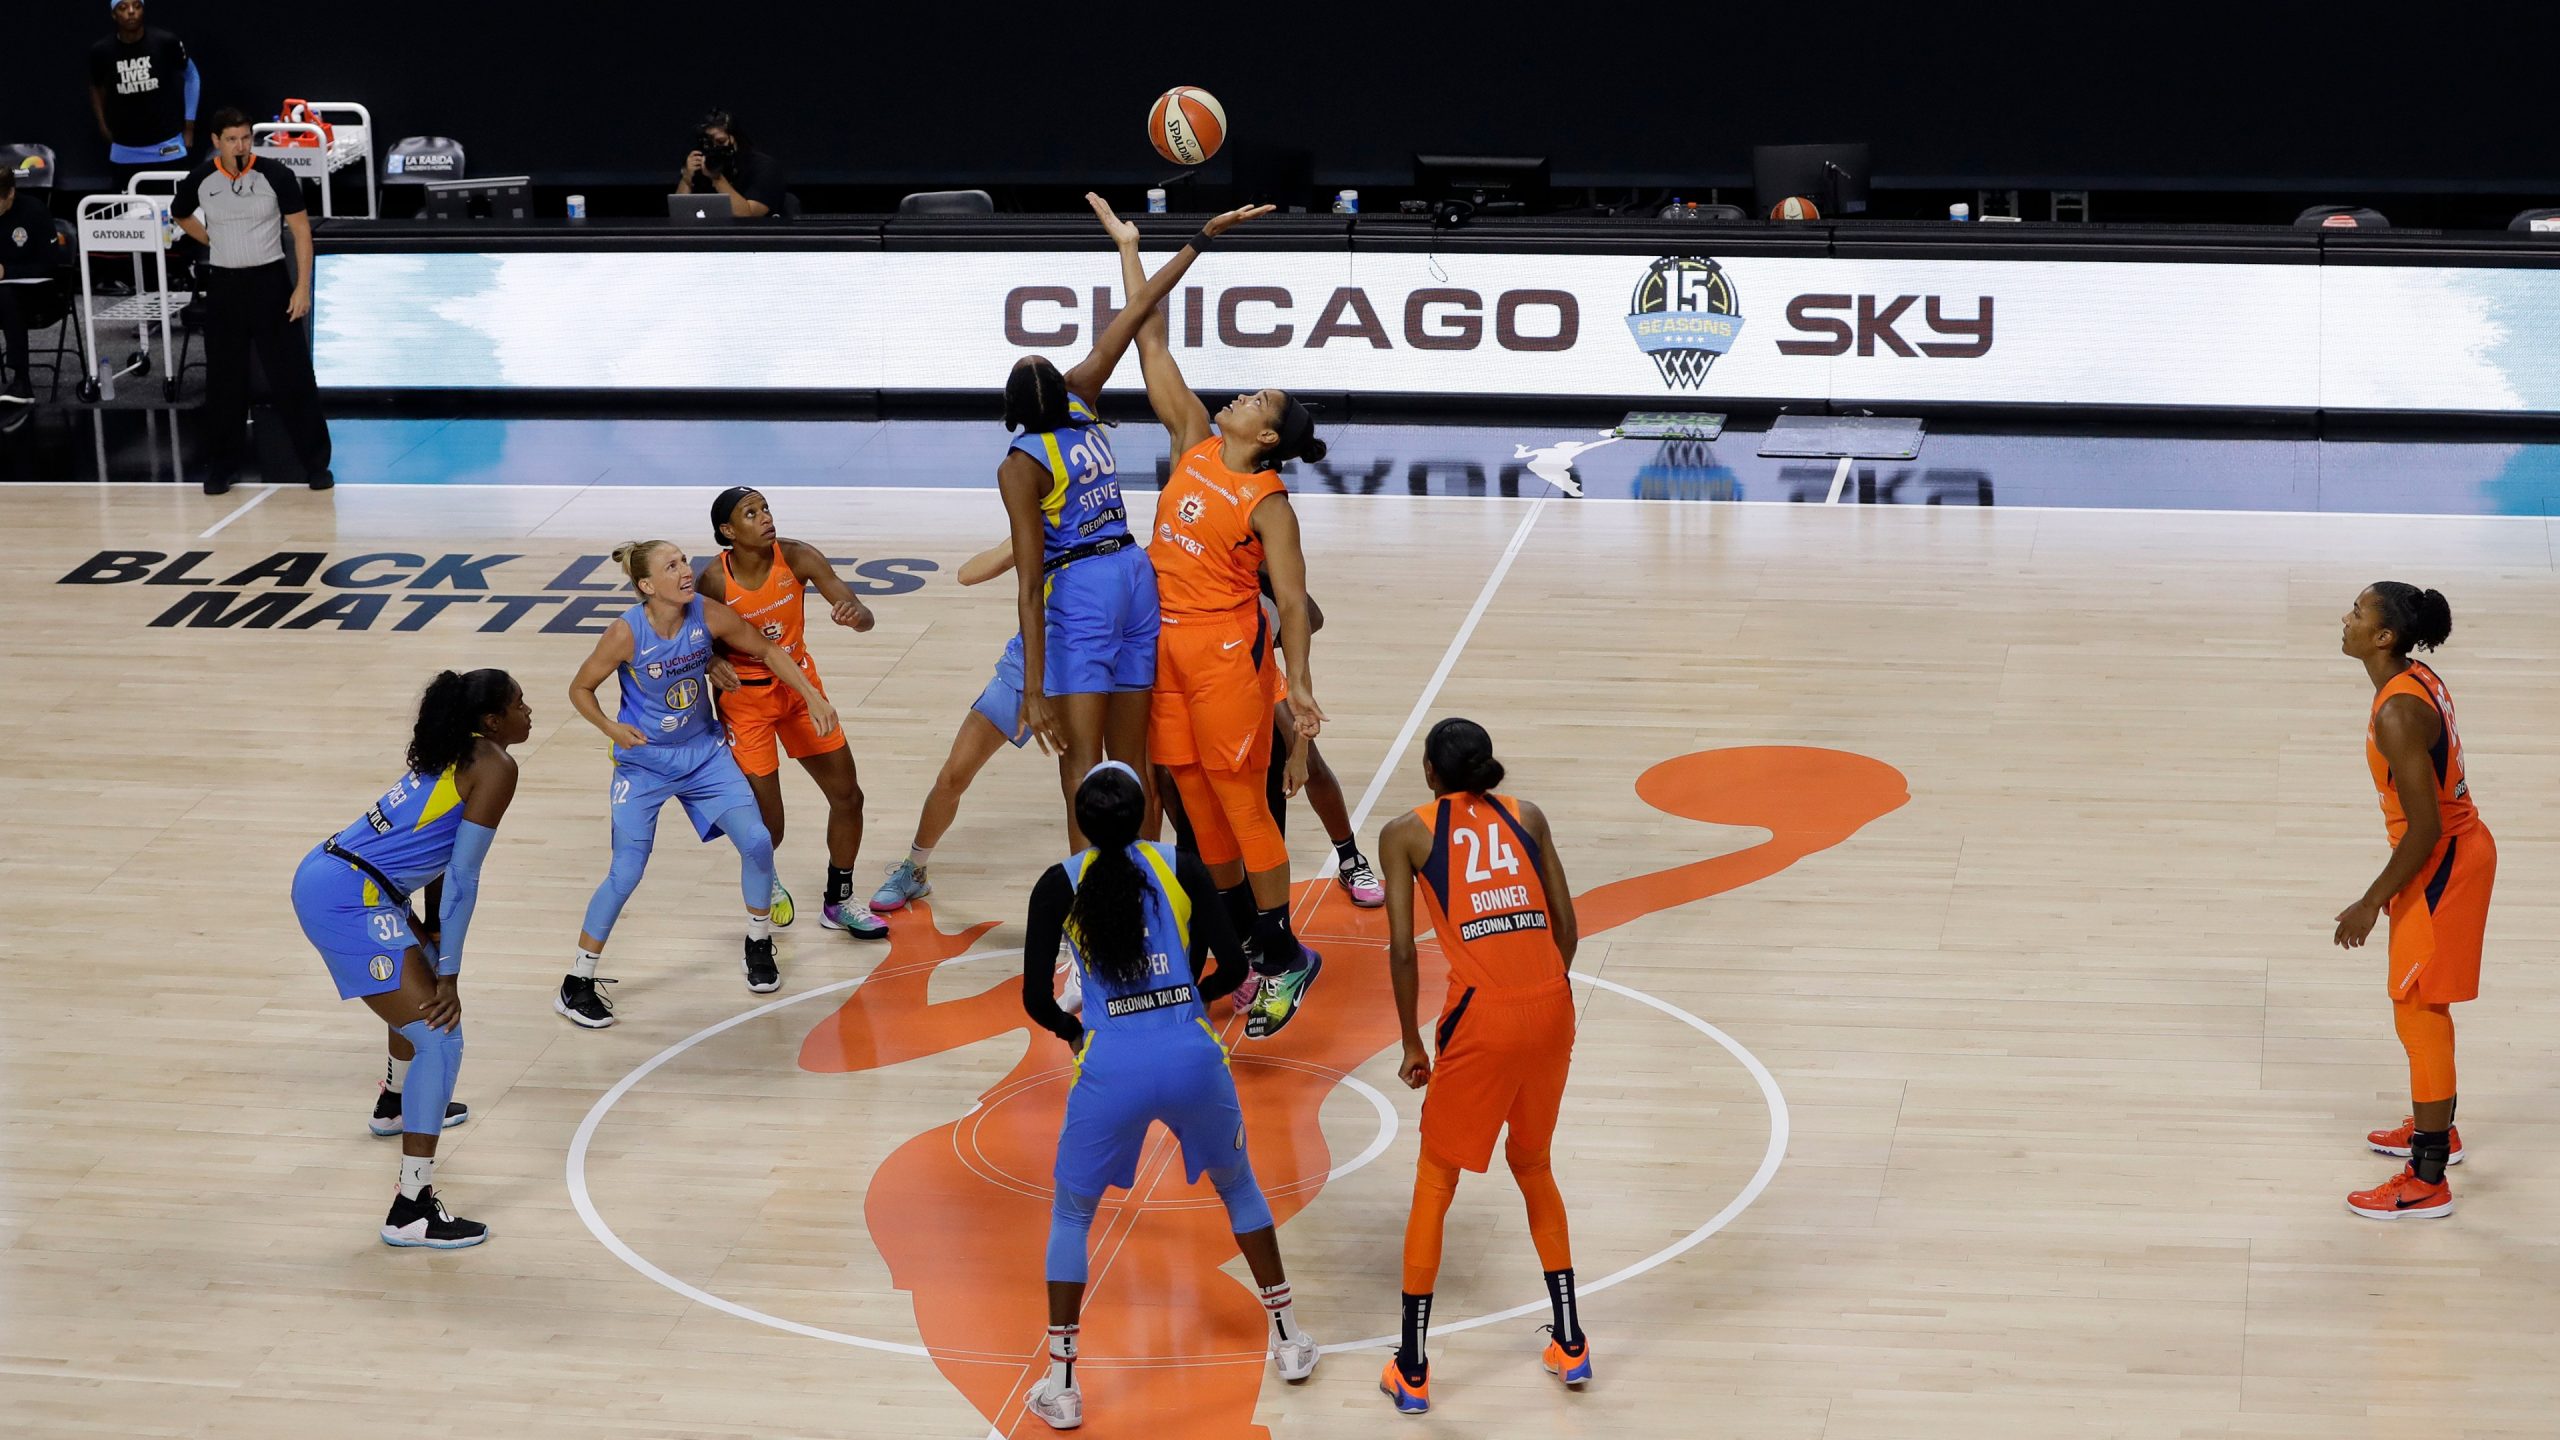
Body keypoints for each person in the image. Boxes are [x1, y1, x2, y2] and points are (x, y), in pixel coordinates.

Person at [1015, 762, 1319, 1429]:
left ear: (1081, 820)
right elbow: (1237, 967)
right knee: (1239, 1188)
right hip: (1190, 1056)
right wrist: (1190, 1003)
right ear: (1148, 807)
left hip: (1110, 1065)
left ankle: (1062, 1386)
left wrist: (1075, 1031)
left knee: (1072, 1218)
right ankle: (1290, 1339)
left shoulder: (1056, 884)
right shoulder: (1179, 864)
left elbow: (1038, 998)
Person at [1090, 193, 1328, 1039]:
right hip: (1166, 651)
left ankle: (1285, 953)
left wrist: (1296, 684)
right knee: (1192, 798)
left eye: (1257, 399)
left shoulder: (1268, 500)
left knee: (1243, 804)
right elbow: (1148, 338)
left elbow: (1293, 600)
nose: (1238, 397)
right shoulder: (1191, 438)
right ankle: (1256, 953)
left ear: (1268, 437)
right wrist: (1137, 246)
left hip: (1227, 654)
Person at [998, 200, 1271, 851]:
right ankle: (1118, 899)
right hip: (1117, 580)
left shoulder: (1048, 429)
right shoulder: (1061, 417)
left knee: (1104, 770)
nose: (1042, 361)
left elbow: (1140, 313)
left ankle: (1117, 898)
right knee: (1112, 769)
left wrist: (1034, 688)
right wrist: (1194, 239)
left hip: (1104, 585)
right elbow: (1137, 314)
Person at [1375, 718, 1588, 1411]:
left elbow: (1403, 951)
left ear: (1432, 774)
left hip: (1483, 1018)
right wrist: (1544, 994)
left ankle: (1410, 1366)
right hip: (1552, 1005)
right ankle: (1571, 1341)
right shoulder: (1528, 815)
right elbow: (1568, 925)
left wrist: (1412, 1040)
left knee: (1436, 1178)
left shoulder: (1407, 831)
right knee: (1534, 1164)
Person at [289, 669, 530, 1248]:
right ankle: (412, 1210)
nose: (530, 711)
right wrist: (450, 974)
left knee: (419, 992)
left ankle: (395, 1103)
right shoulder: (495, 766)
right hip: (348, 897)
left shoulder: (456, 751)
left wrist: (434, 946)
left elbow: (440, 865)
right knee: (441, 1035)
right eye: (519, 704)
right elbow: (466, 876)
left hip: (356, 880)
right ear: (492, 722)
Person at [560, 540, 836, 1026]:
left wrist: (811, 695)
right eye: (673, 566)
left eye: (684, 560)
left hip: (704, 755)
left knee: (756, 840)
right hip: (644, 764)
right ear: (647, 586)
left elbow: (769, 648)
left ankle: (758, 943)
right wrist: (609, 728)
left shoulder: (706, 613)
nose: (687, 570)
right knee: (626, 872)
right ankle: (577, 980)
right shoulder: (627, 632)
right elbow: (579, 687)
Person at [2334, 583, 2495, 1221]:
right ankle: (2439, 1130)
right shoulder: (2414, 677)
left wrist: (2370, 903)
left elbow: (2425, 828)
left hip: (2441, 864)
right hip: (2450, 855)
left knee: (2420, 1011)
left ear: (2384, 638)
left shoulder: (2398, 712)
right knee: (2421, 1005)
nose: (2345, 619)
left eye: (2358, 613)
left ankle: (2427, 1178)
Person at [699, 487, 888, 938]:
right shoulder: (712, 581)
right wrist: (711, 661)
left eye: (765, 508)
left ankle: (839, 900)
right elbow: (693, 640)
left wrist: (855, 614)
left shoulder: (799, 556)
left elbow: (864, 615)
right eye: (751, 513)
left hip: (801, 690)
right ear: (728, 531)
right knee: (769, 829)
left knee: (848, 797)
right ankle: (768, 883)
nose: (765, 517)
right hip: (746, 703)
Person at [1159, 582, 1384, 933]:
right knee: (1172, 774)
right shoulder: (1175, 572)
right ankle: (1205, 865)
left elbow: (1314, 619)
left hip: (1255, 675)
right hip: (1199, 677)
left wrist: (1275, 585)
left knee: (1308, 761)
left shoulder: (1260, 572)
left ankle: (1350, 857)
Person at [871, 538, 1064, 913]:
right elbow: (966, 574)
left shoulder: (1105, 537)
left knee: (1083, 791)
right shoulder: (1039, 529)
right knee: (952, 777)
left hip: (1085, 676)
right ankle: (915, 869)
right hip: (1021, 671)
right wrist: (1026, 538)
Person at [170, 108, 332, 495]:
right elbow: (179, 214)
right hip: (225, 285)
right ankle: (223, 466)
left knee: (292, 375)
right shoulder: (202, 179)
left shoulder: (277, 175)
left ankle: (315, 463)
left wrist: (302, 287)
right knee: (224, 381)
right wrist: (211, 240)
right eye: (231, 139)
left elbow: (301, 232)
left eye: (245, 138)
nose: (240, 146)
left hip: (270, 282)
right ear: (215, 141)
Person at [90, 0, 200, 183]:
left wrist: (189, 126)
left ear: (143, 10)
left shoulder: (165, 42)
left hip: (168, 146)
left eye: (137, 6)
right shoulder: (102, 51)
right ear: (114, 14)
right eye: (123, 8)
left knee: (175, 208)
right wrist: (103, 125)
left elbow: (192, 76)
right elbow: (96, 87)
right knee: (127, 211)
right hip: (125, 150)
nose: (131, 12)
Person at [0, 169, 59, 429]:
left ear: (10, 193)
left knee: (5, 292)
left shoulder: (33, 212)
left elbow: (51, 264)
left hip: (39, 294)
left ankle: (21, 379)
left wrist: (7, 272)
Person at [676, 110, 786, 219]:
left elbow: (748, 216)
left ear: (735, 138)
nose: (714, 148)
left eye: (720, 142)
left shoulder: (763, 167)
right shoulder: (701, 164)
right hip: (707, 234)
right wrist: (687, 180)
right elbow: (677, 217)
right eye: (709, 143)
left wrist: (717, 179)